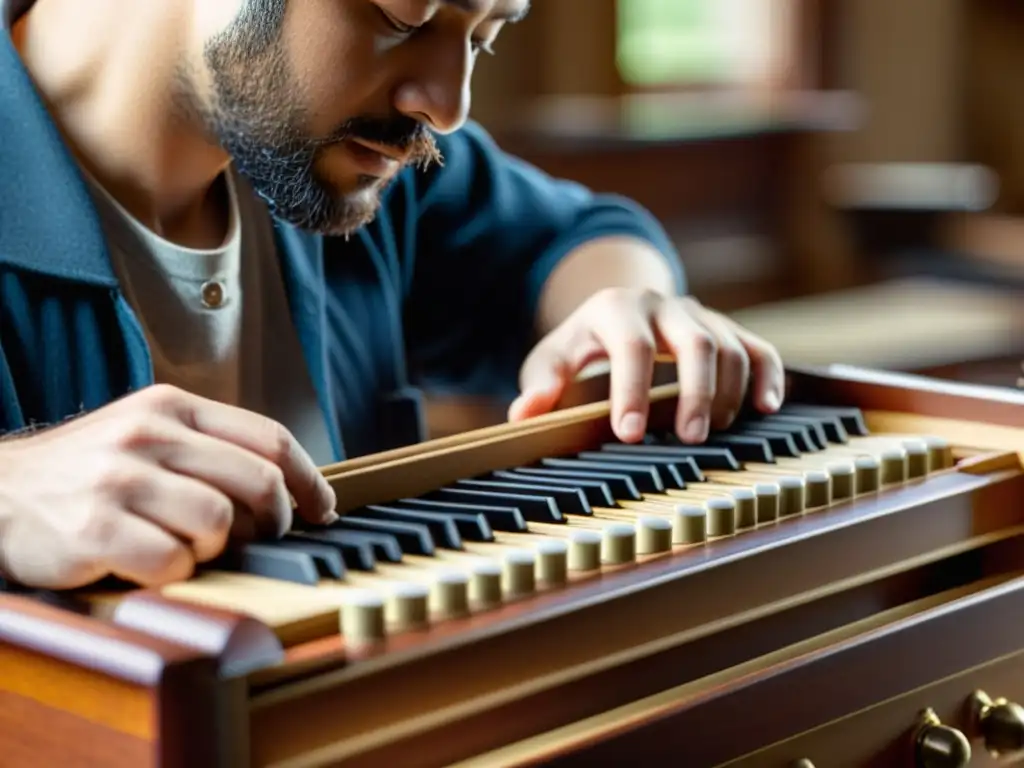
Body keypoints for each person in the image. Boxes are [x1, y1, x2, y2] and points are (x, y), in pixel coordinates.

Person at [0, 0, 785, 591]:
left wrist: (627, 307)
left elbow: (582, 236)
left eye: (483, 36)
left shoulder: (346, 162)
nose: (446, 107)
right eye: (402, 17)